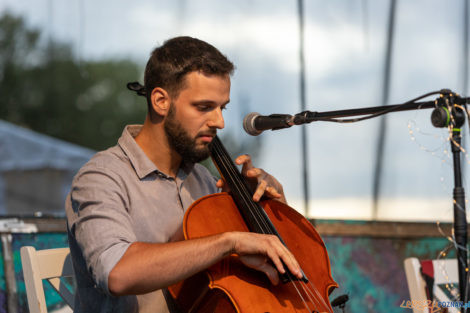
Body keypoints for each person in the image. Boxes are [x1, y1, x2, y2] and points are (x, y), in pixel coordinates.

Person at [65, 36, 301, 313]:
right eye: (203, 107)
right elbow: (117, 273)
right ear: (161, 101)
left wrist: (269, 208)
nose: (219, 122)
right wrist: (230, 240)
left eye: (222, 107)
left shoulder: (203, 181)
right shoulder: (100, 177)